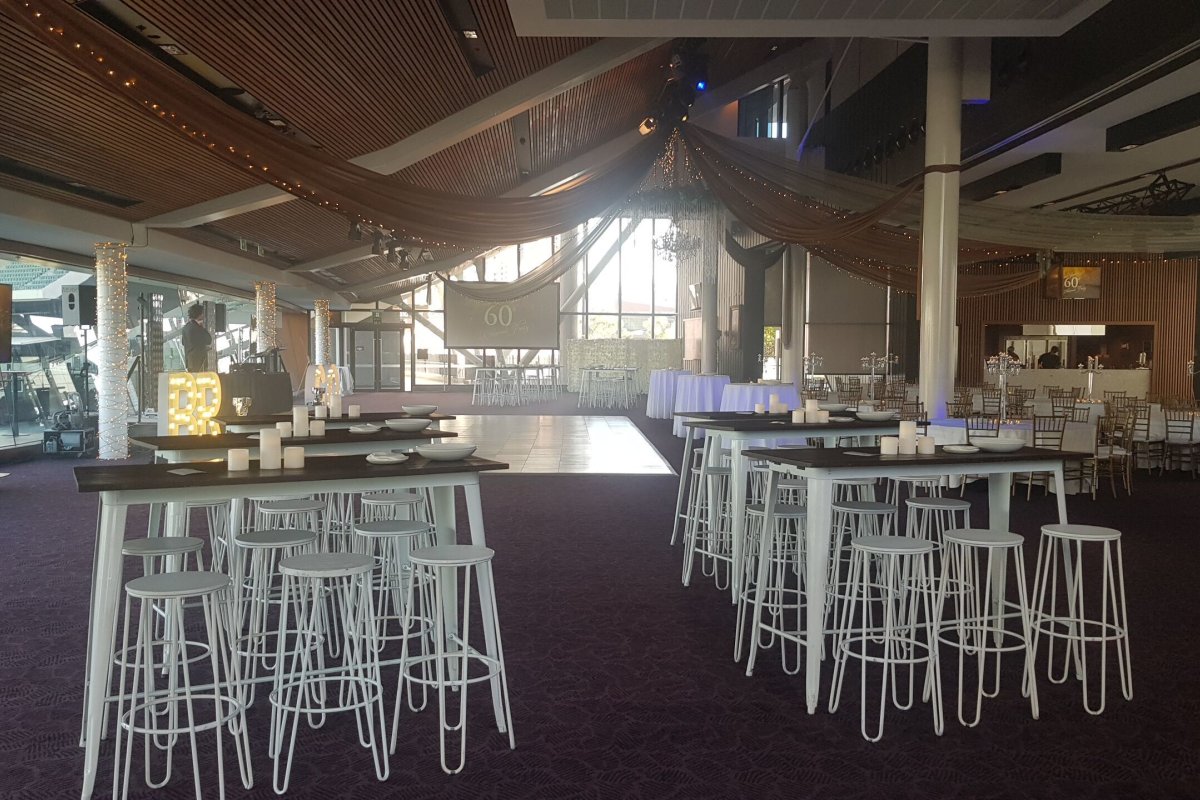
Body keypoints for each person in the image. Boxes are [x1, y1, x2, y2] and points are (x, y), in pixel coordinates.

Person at [181, 303, 212, 372]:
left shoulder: (185, 328)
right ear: (200, 314)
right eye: (203, 313)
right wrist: (202, 327)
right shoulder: (197, 328)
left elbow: (183, 342)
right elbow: (208, 340)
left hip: (189, 361)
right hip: (199, 362)